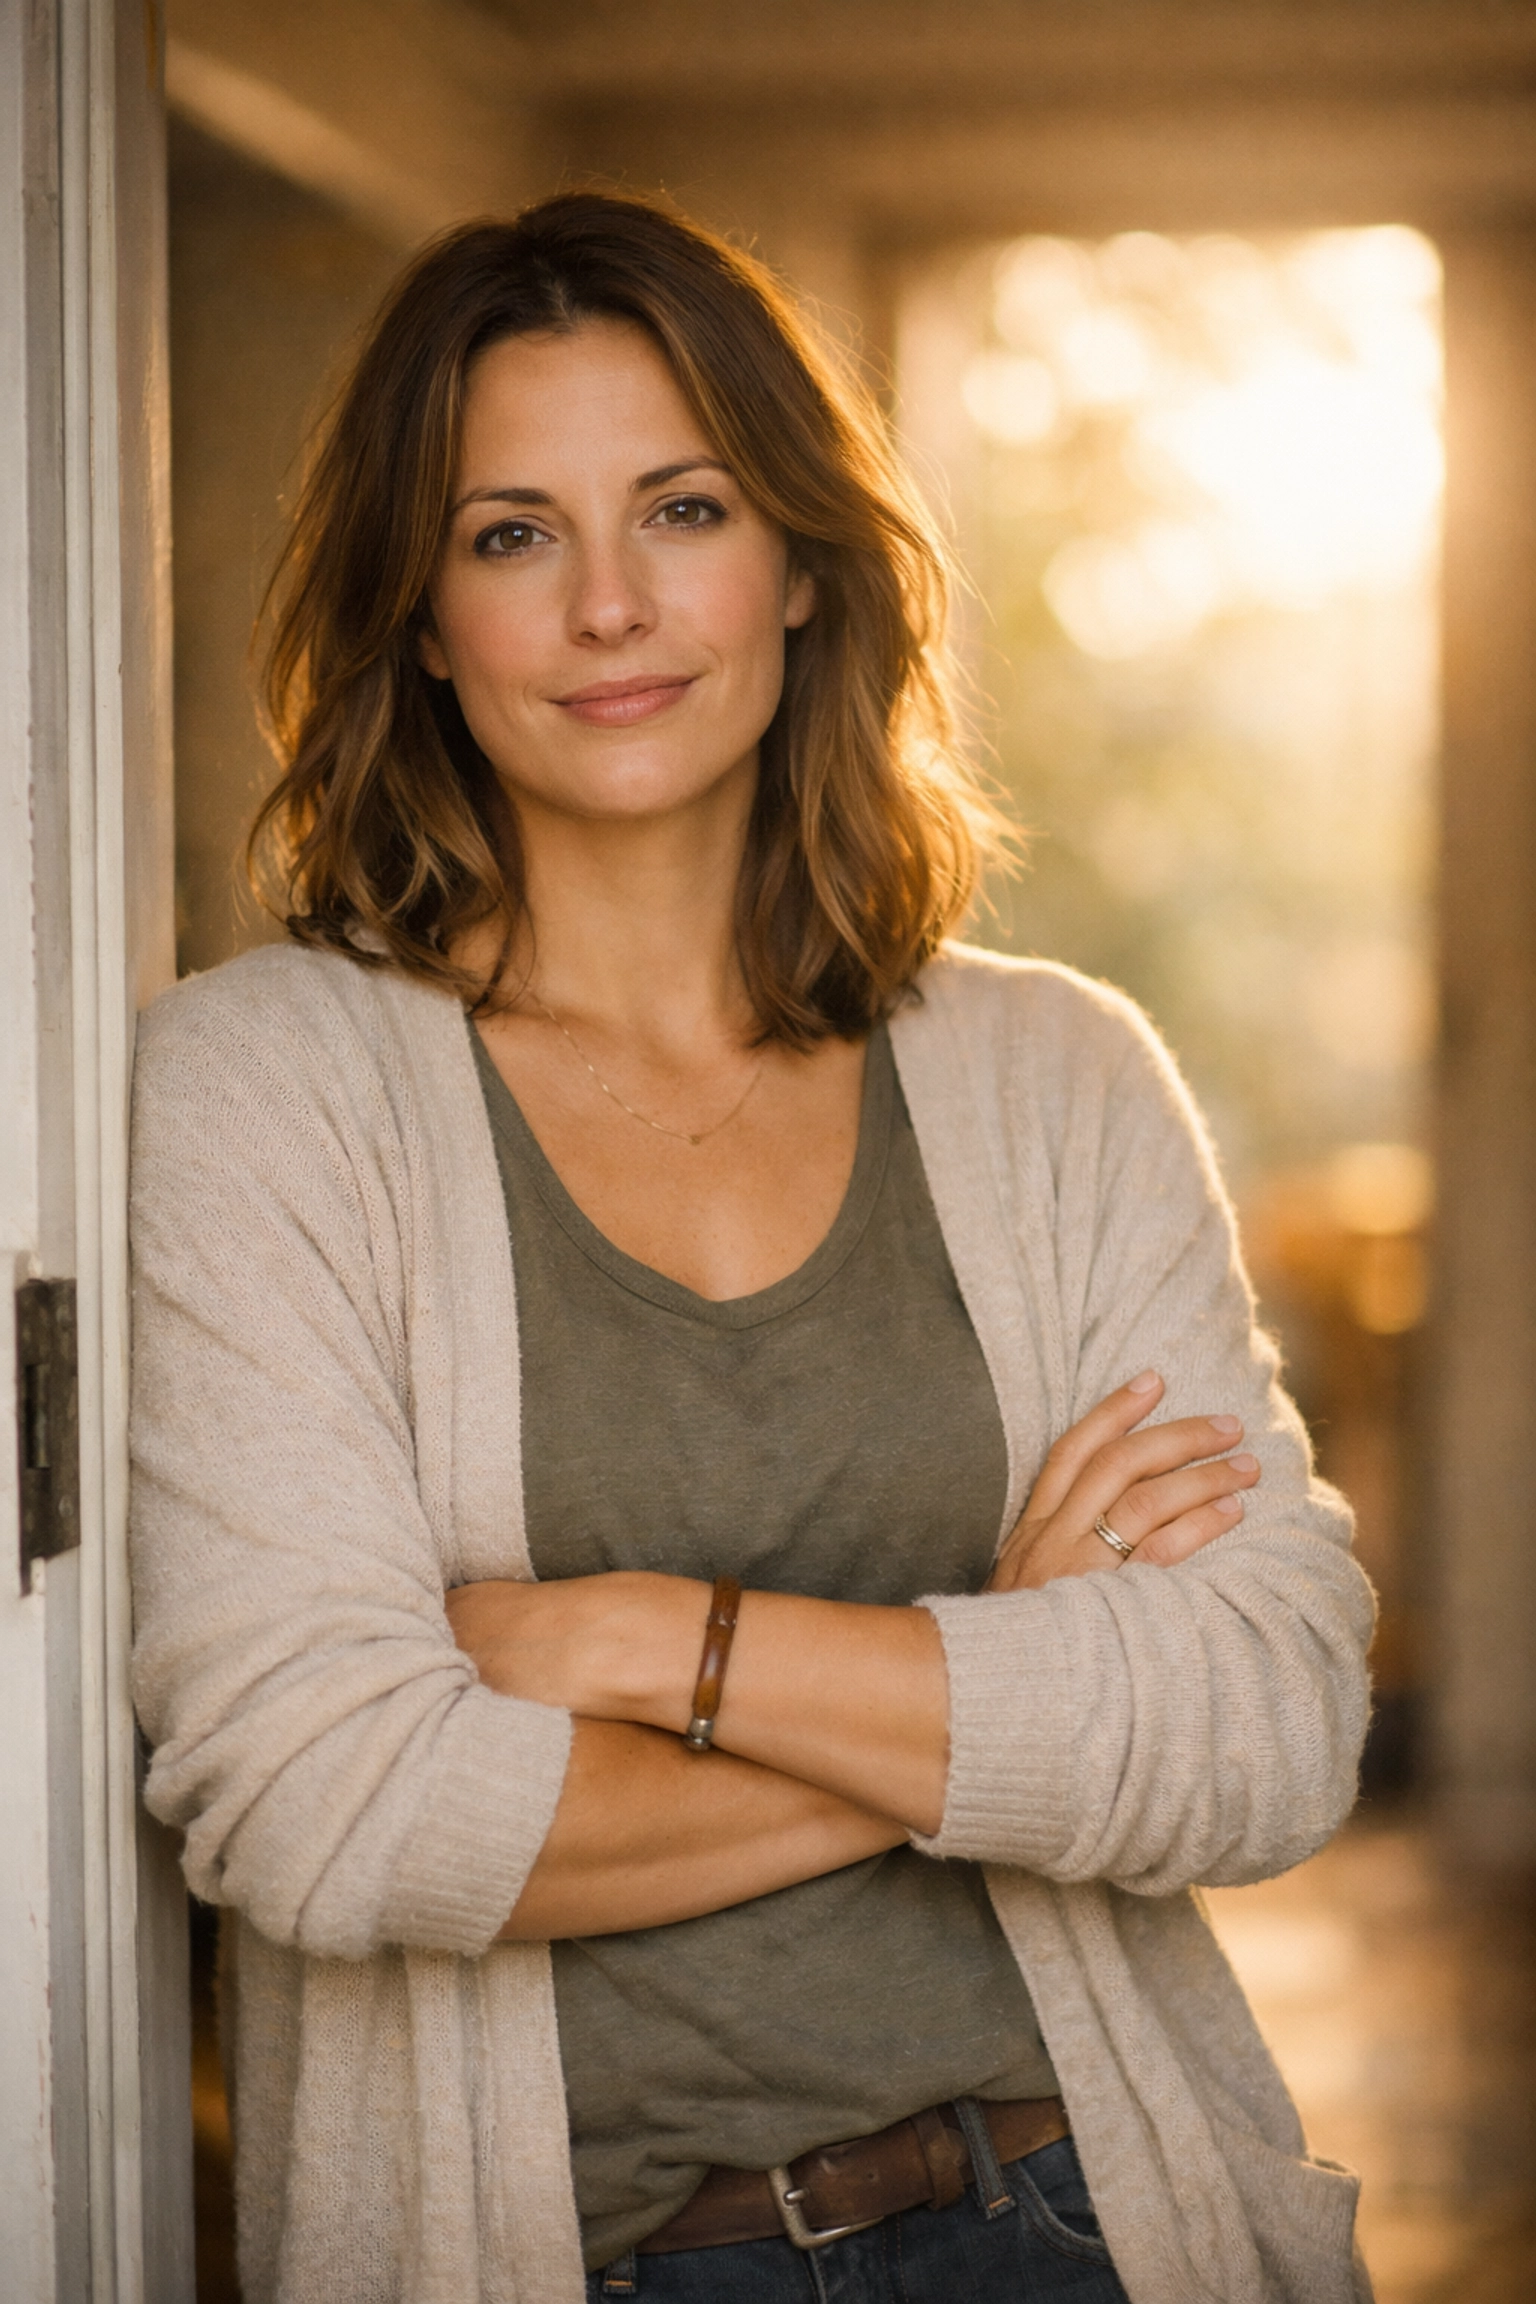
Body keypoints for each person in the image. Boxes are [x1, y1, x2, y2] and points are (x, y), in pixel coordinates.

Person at [129, 193, 1374, 2304]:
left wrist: (645, 1641)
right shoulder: (261, 1095)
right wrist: (992, 1674)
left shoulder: (1057, 1079)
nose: (611, 603)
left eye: (682, 507)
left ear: (801, 563)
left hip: (1093, 2218)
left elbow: (1263, 1720)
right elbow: (328, 1801)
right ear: (422, 617)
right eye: (513, 532)